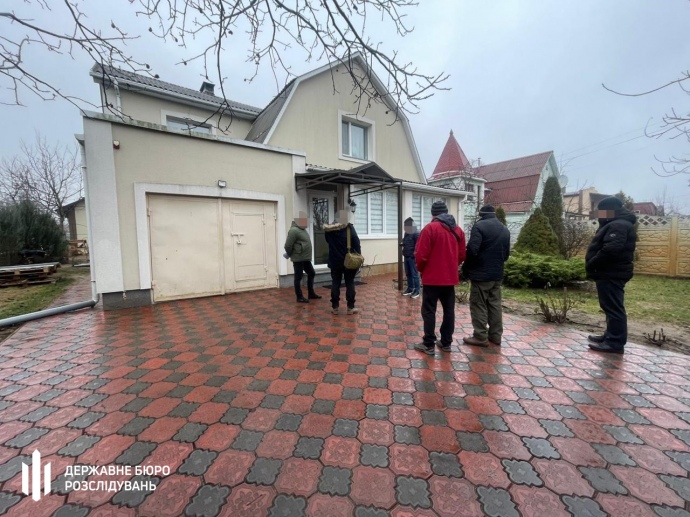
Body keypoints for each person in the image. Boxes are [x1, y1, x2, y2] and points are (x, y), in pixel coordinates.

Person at [585, 196, 637, 354]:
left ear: (611, 210)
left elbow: (612, 249)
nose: (599, 214)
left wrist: (592, 262)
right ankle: (609, 335)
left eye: (601, 211)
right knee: (609, 306)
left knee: (614, 308)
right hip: (610, 272)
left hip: (612, 272)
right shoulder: (615, 223)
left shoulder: (618, 225)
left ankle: (615, 342)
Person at [414, 200, 466, 355]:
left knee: (429, 311)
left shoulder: (430, 228)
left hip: (432, 279)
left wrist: (422, 270)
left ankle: (429, 344)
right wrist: (451, 267)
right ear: (446, 212)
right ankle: (446, 342)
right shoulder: (458, 230)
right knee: (449, 310)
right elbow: (462, 254)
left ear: (433, 213)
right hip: (449, 279)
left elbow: (421, 255)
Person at [461, 205, 511, 347]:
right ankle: (495, 336)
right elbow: (506, 255)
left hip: (481, 275)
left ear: (481, 214)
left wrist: (466, 269)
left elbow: (472, 250)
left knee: (478, 304)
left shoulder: (479, 226)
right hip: (497, 274)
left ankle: (480, 336)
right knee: (495, 305)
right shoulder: (504, 229)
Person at [325, 209, 362, 315]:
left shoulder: (329, 230)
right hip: (348, 261)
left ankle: (335, 307)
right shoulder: (349, 228)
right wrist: (358, 258)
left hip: (334, 261)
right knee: (349, 282)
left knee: (335, 282)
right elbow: (356, 243)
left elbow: (328, 241)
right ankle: (350, 307)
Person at [284, 211, 322, 303]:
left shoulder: (302, 229)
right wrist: (290, 254)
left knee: (311, 273)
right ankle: (299, 297)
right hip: (298, 258)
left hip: (305, 258)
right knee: (298, 277)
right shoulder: (293, 230)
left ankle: (311, 293)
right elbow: (288, 245)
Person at [401, 217, 421, 299]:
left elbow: (418, 246)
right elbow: (406, 241)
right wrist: (402, 243)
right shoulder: (407, 233)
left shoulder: (416, 233)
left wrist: (414, 255)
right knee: (408, 274)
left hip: (412, 257)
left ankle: (417, 290)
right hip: (406, 256)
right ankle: (410, 288)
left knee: (414, 274)